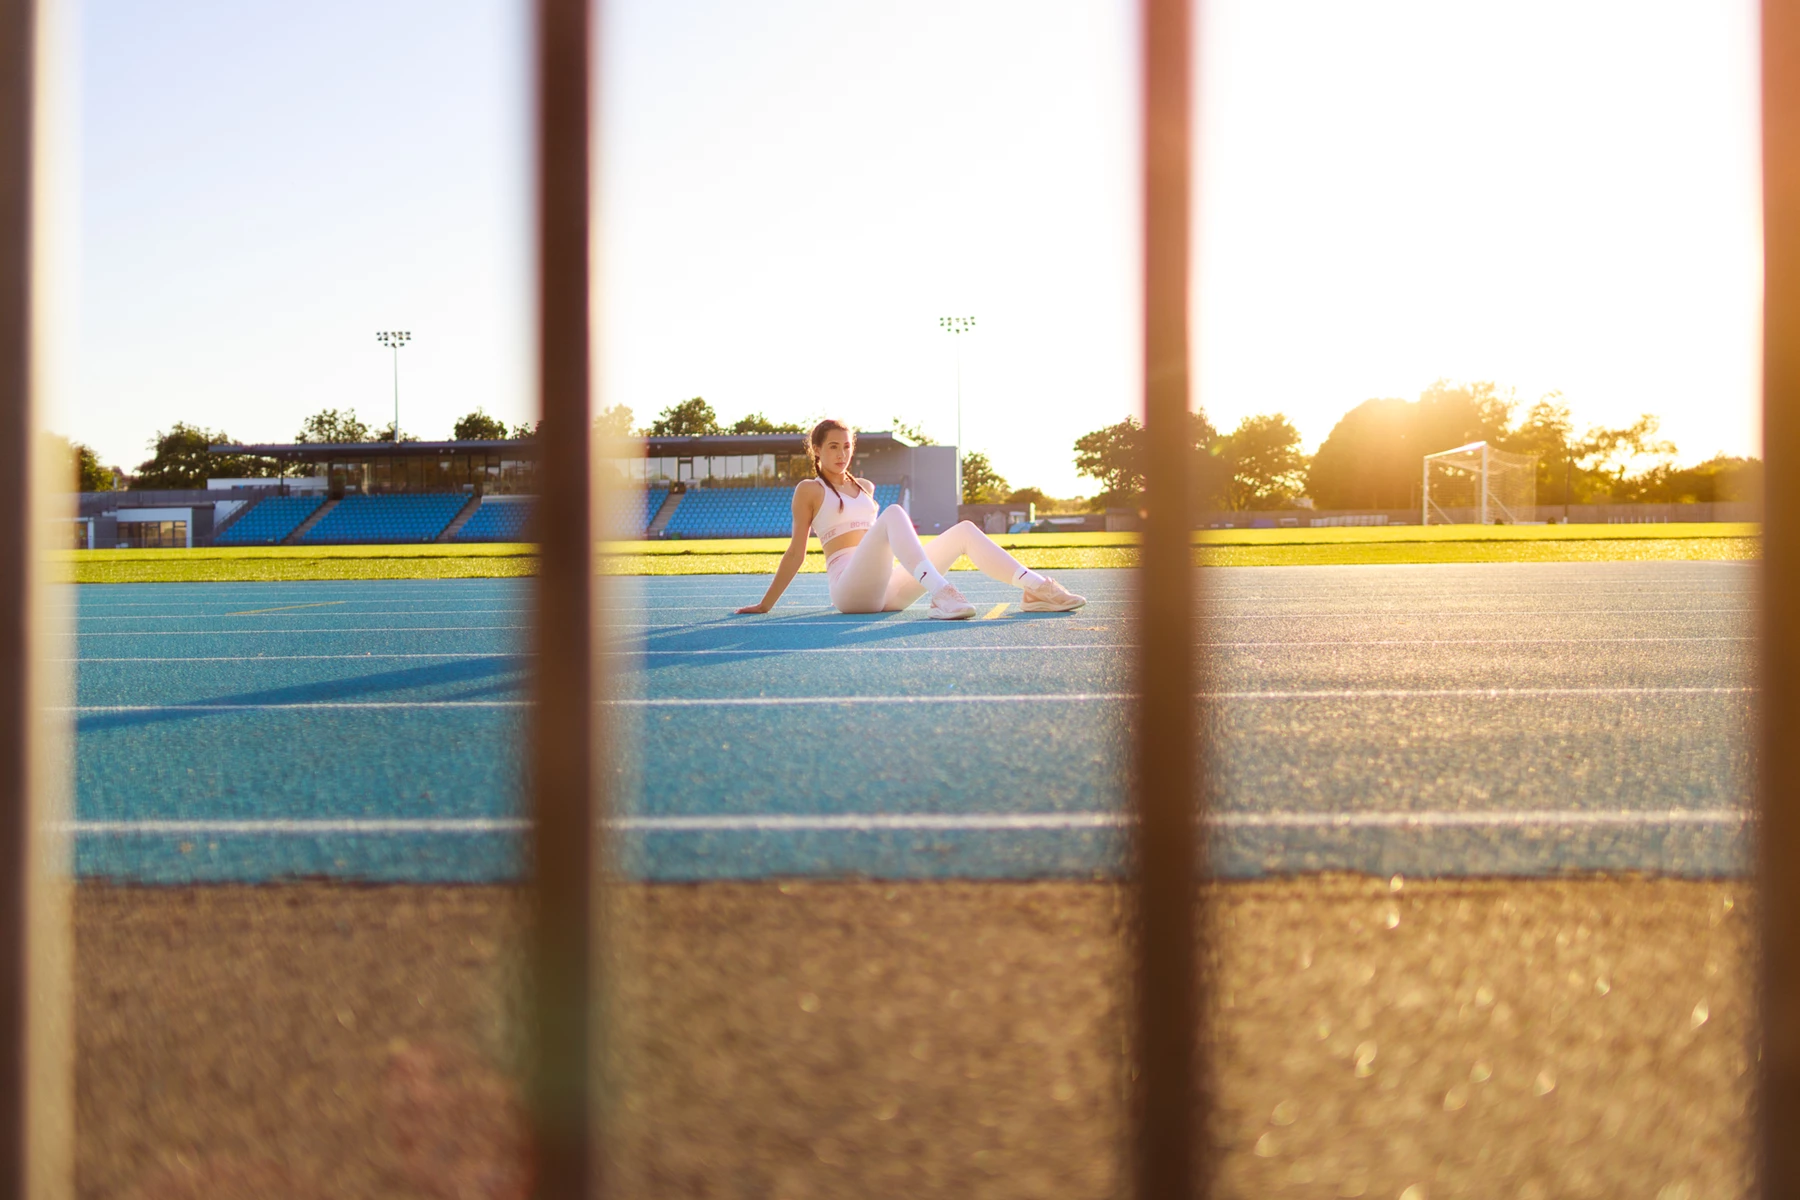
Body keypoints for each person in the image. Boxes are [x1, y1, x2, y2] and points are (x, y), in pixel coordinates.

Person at [734, 419, 1087, 620]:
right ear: (817, 450)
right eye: (832, 447)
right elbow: (796, 552)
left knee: (964, 530)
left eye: (846, 446)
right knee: (894, 514)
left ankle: (1035, 588)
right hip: (849, 591)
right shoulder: (809, 490)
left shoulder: (867, 487)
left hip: (885, 589)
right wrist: (766, 604)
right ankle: (942, 594)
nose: (842, 454)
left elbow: (878, 549)